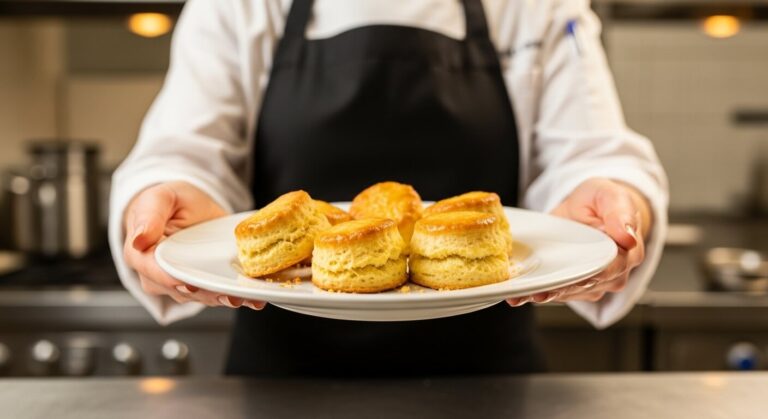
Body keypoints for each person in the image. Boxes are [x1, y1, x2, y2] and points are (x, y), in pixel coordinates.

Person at [111, 0, 668, 376]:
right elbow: (185, 146)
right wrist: (167, 192)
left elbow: (591, 149)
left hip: (488, 379)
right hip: (280, 379)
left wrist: (610, 196)